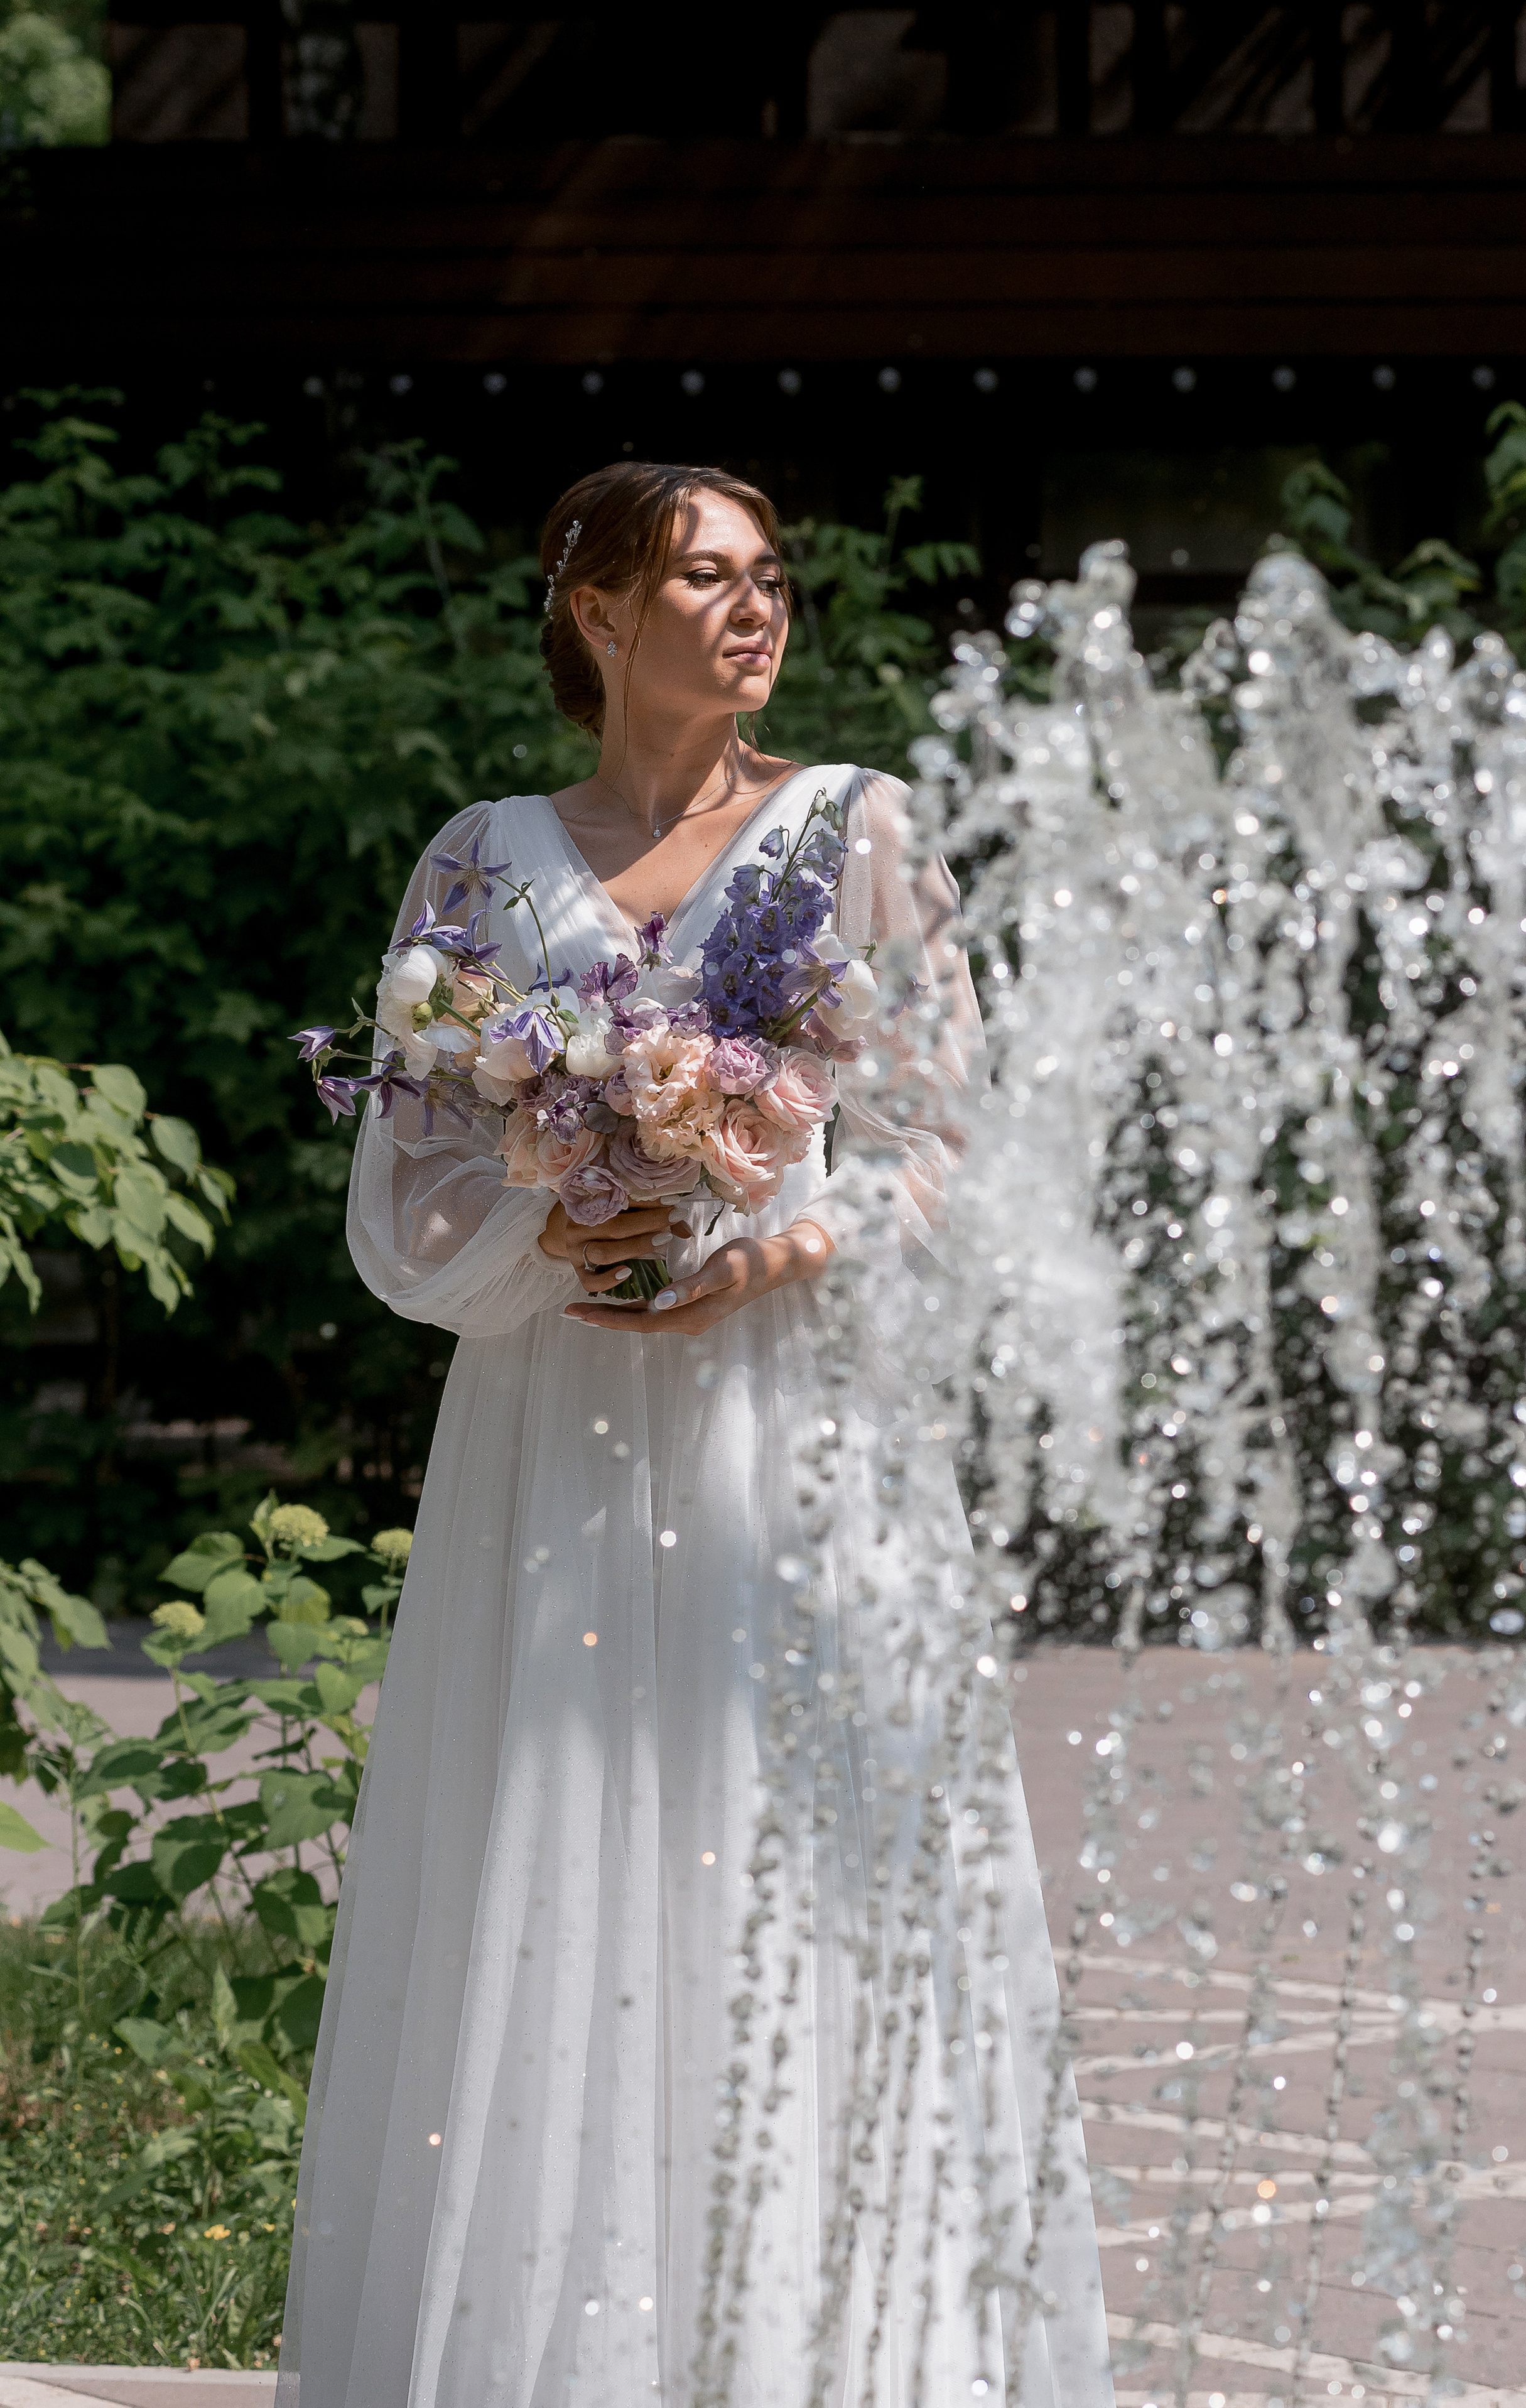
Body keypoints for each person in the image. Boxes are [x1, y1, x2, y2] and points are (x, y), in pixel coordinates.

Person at [274, 462, 1112, 2407]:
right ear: (597, 614)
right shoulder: (481, 861)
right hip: (554, 1414)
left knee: (801, 1850)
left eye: (772, 576)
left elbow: (952, 1130)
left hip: (794, 1414)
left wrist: (777, 1248)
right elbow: (407, 1173)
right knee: (552, 1844)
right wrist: (545, 1229)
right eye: (707, 577)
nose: (758, 608)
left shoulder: (856, 828)